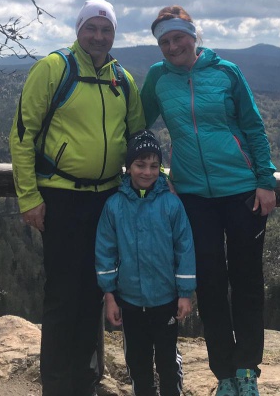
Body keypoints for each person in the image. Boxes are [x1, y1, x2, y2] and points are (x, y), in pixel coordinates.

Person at [9, 0, 145, 396]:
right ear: (78, 30)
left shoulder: (122, 79)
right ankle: (56, 386)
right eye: (91, 28)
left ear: (114, 34)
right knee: (62, 295)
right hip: (62, 197)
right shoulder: (54, 68)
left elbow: (137, 140)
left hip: (107, 200)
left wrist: (145, 189)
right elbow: (22, 135)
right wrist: (29, 197)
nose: (98, 36)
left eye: (106, 30)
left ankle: (84, 382)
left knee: (95, 292)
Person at [140, 6, 277, 396]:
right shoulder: (157, 78)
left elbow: (253, 126)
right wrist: (153, 173)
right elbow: (137, 127)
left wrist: (265, 180)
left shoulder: (226, 72)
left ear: (193, 35)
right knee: (211, 284)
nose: (172, 47)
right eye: (164, 42)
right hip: (193, 197)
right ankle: (224, 374)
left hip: (242, 191)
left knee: (247, 280)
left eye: (178, 38)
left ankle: (247, 370)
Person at [95, 129, 196, 396]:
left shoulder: (171, 204)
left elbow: (184, 248)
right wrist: (110, 296)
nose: (147, 172)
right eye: (140, 165)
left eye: (154, 166)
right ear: (128, 167)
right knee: (137, 362)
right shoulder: (114, 206)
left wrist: (185, 293)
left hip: (165, 300)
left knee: (167, 360)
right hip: (130, 301)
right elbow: (105, 252)